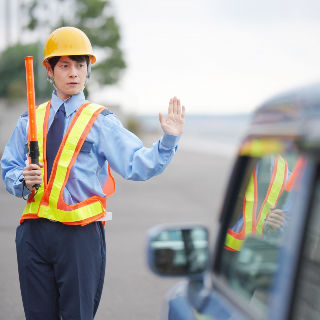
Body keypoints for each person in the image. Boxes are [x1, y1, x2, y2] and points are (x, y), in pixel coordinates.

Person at [1, 26, 185, 320]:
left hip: (80, 237)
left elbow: (138, 163)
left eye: (80, 65)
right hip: (33, 236)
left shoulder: (102, 121)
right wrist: (21, 180)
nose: (73, 72)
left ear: (88, 71)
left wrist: (168, 141)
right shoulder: (30, 120)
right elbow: (8, 167)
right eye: (64, 65)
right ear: (49, 70)